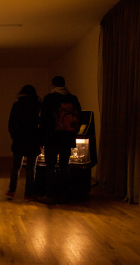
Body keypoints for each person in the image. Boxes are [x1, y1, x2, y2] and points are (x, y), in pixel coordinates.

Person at [37, 76, 81, 205]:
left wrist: (41, 139)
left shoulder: (49, 99)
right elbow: (80, 117)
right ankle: (63, 195)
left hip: (52, 138)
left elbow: (43, 120)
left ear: (53, 86)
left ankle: (51, 195)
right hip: (67, 138)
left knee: (50, 167)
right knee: (64, 166)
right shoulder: (73, 99)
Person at [6, 85, 42, 202]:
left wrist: (14, 136)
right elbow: (41, 124)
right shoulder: (38, 105)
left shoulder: (17, 105)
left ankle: (11, 191)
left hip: (19, 140)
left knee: (16, 167)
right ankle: (28, 194)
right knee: (31, 168)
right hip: (33, 140)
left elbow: (11, 123)